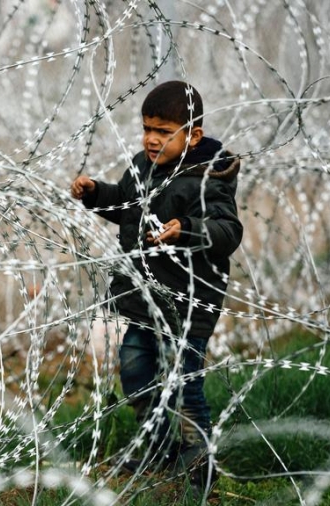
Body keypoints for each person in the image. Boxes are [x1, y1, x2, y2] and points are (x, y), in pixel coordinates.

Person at [70, 81, 243, 491]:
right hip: (143, 299)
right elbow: (127, 207)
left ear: (192, 136)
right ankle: (157, 442)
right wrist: (96, 195)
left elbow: (228, 229)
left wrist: (186, 230)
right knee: (134, 370)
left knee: (184, 383)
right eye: (147, 129)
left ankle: (197, 459)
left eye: (164, 132)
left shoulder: (207, 178)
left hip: (187, 304)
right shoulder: (141, 168)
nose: (151, 139)